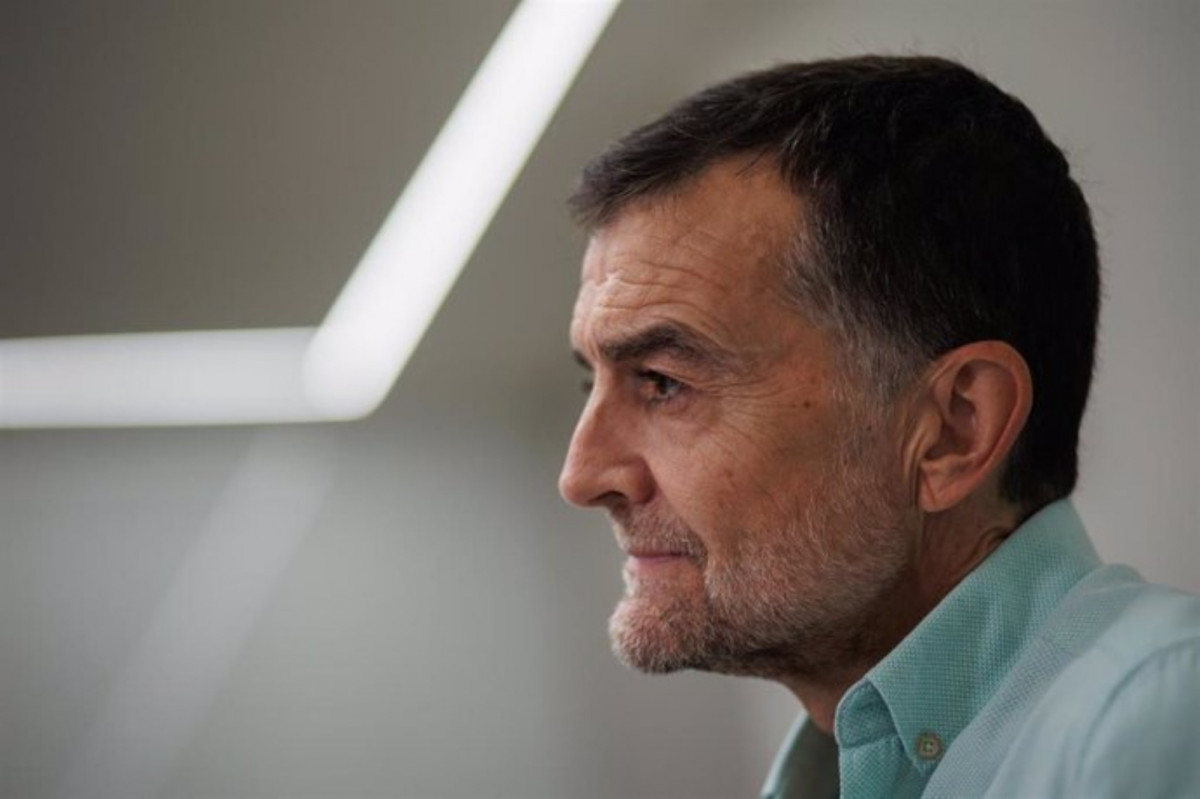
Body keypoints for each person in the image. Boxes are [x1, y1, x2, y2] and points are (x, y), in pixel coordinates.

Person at [557, 56, 1200, 798]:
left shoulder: (1161, 721)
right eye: (591, 382)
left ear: (953, 430)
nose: (581, 476)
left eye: (664, 382)